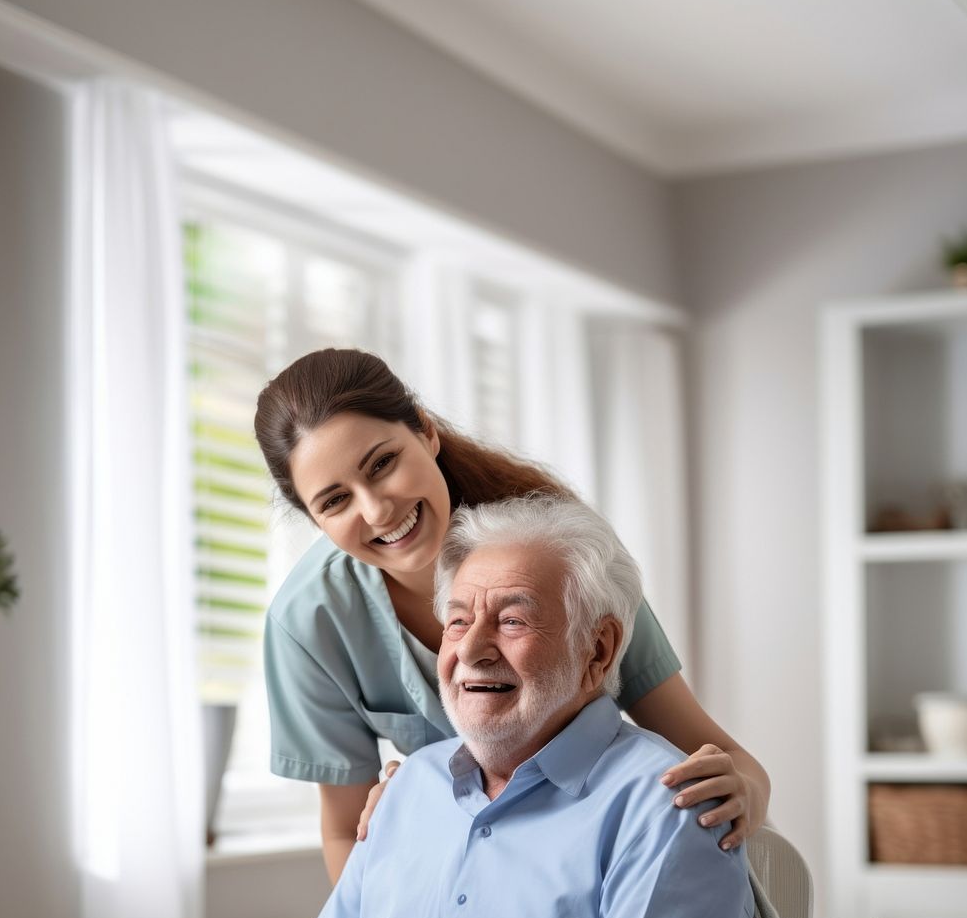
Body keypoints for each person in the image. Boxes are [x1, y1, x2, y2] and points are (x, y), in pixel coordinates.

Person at [254, 348, 770, 883]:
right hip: (465, 878)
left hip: (602, 860)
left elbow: (720, 754)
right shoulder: (308, 623)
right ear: (314, 521)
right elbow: (346, 830)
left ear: (426, 432)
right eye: (335, 501)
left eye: (382, 463)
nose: (377, 509)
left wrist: (747, 791)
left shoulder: (565, 554)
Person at [279, 496, 755, 918]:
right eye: (458, 620)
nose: (471, 648)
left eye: (512, 621)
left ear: (598, 649)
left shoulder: (671, 807)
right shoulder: (408, 787)